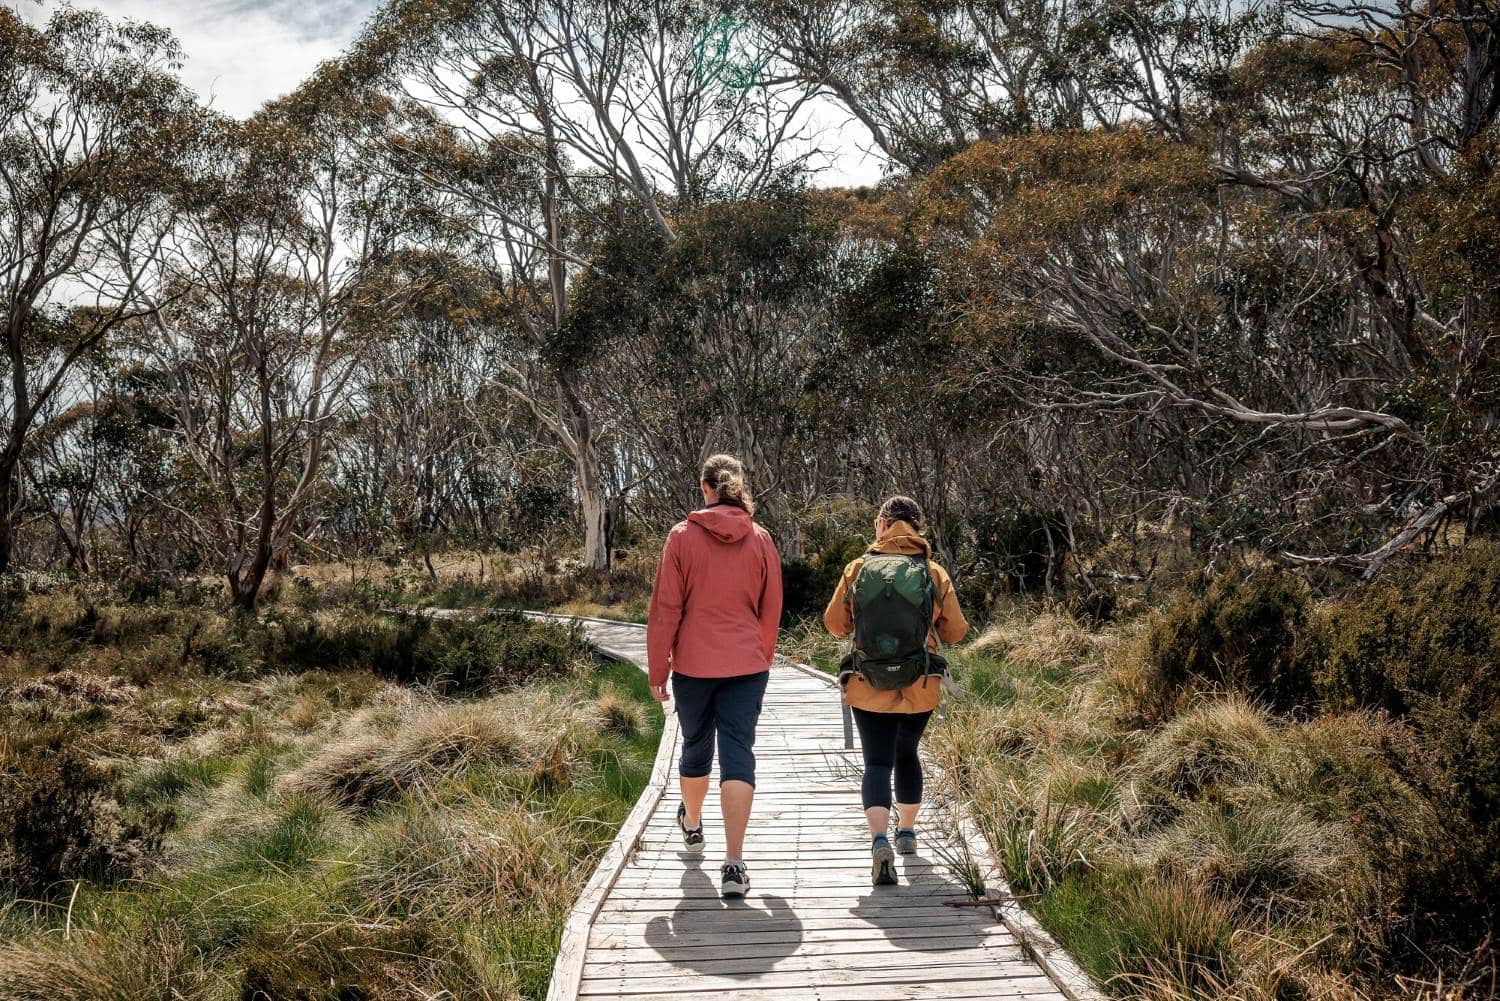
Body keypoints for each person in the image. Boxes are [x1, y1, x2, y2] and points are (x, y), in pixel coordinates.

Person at [647, 453, 784, 898]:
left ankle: (691, 823)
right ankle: (734, 864)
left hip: (693, 665)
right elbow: (772, 606)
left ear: (706, 488)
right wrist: (760, 654)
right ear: (737, 487)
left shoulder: (682, 537)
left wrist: (657, 668)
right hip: (746, 665)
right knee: (738, 752)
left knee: (696, 744)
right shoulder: (761, 539)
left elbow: (667, 607)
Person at [823, 495, 968, 885]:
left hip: (867, 682)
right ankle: (906, 833)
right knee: (908, 753)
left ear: (881, 524)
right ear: (918, 527)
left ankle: (879, 839)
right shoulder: (934, 572)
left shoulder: (857, 569)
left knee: (876, 763)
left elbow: (835, 624)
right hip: (919, 685)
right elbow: (956, 631)